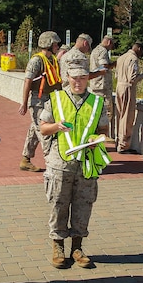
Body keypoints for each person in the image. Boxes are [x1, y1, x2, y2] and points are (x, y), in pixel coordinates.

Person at [39, 56, 111, 269]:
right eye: (73, 78)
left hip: (86, 163)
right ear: (67, 78)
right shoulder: (56, 99)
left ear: (88, 78)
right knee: (59, 204)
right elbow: (43, 128)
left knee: (83, 206)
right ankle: (58, 246)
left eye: (82, 77)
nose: (77, 82)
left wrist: (94, 139)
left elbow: (103, 131)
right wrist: (56, 126)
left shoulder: (97, 102)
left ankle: (77, 247)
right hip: (60, 162)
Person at [18, 31, 62, 172]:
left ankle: (26, 159)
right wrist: (24, 103)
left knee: (35, 129)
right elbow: (27, 81)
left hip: (50, 99)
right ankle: (51, 163)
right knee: (44, 132)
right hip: (38, 100)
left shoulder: (52, 59)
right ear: (48, 44)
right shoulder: (36, 60)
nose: (57, 46)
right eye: (55, 44)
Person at [115, 42, 143, 154]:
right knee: (127, 117)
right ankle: (124, 145)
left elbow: (116, 74)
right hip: (127, 88)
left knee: (119, 115)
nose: (141, 54)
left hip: (119, 86)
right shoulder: (133, 59)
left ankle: (118, 141)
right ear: (138, 48)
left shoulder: (121, 57)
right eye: (141, 52)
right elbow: (133, 78)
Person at [89, 35, 117, 138]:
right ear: (109, 42)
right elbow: (103, 66)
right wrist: (113, 64)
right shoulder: (103, 51)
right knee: (105, 112)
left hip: (95, 85)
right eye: (112, 45)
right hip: (102, 87)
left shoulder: (95, 50)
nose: (112, 47)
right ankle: (102, 136)